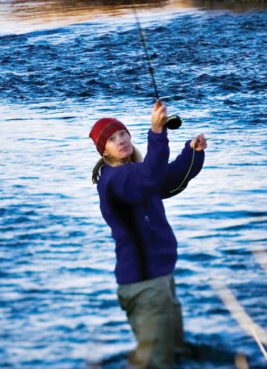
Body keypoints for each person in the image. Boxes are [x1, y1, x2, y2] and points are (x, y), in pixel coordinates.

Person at [89, 100, 206, 369]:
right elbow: (151, 174)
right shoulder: (115, 180)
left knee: (173, 356)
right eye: (111, 139)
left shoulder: (138, 175)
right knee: (158, 363)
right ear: (104, 151)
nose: (120, 141)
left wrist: (192, 152)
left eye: (122, 134)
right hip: (144, 286)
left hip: (160, 279)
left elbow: (169, 179)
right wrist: (157, 131)